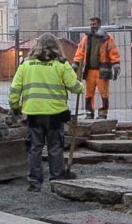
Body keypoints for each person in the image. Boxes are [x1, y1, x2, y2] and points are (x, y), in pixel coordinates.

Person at [9, 33, 82, 192]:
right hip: (55, 114)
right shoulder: (61, 64)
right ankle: (56, 181)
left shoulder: (26, 65)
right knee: (55, 147)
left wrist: (15, 107)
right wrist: (81, 87)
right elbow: (74, 86)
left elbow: (14, 89)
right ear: (57, 46)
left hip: (33, 114)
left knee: (34, 148)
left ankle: (34, 183)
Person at [70, 17, 121, 118]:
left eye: (94, 24)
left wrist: (116, 65)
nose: (92, 26)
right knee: (89, 93)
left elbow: (113, 52)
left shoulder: (107, 38)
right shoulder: (86, 38)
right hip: (89, 70)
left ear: (99, 24)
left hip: (102, 70)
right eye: (91, 24)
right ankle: (89, 112)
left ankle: (103, 113)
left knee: (104, 93)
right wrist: (76, 63)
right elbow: (80, 51)